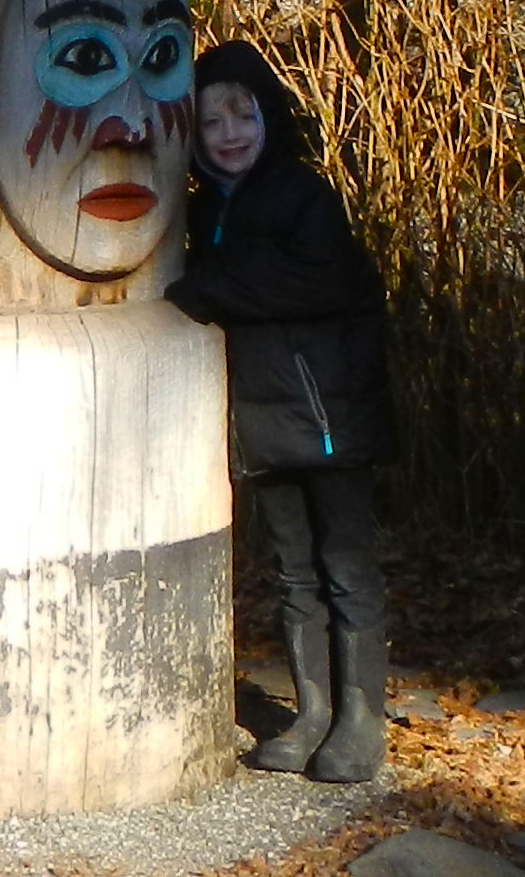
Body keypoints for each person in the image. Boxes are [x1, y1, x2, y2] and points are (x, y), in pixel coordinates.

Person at [166, 40, 392, 782]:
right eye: (210, 123)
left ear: (269, 116)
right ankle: (313, 713)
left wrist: (210, 286)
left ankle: (362, 720)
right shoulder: (201, 214)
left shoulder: (303, 195)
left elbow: (320, 284)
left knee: (345, 569)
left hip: (326, 416)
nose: (229, 133)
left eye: (243, 114)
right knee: (291, 571)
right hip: (260, 424)